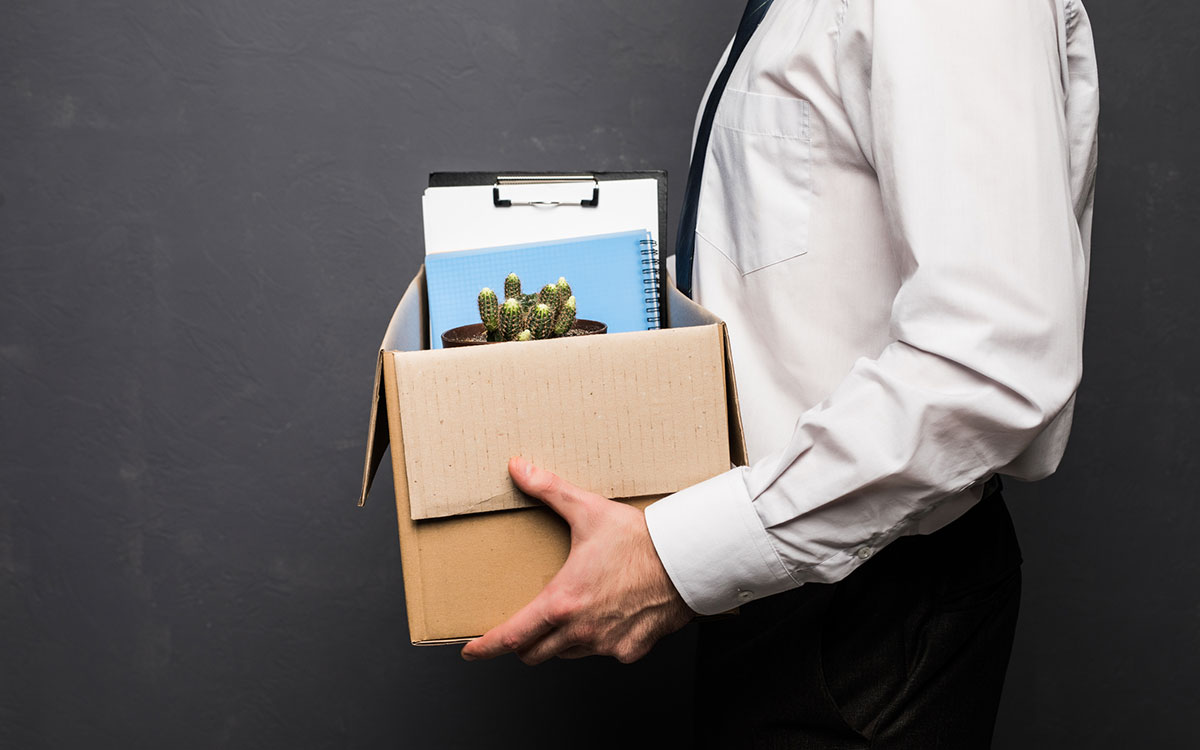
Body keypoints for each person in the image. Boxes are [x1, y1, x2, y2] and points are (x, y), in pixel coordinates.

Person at [462, 0, 1099, 746]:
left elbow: (993, 359)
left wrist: (673, 561)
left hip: (869, 613)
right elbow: (788, 266)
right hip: (771, 572)